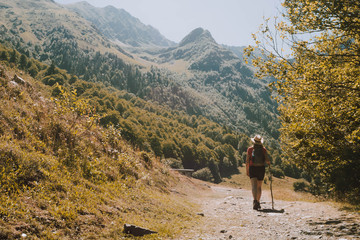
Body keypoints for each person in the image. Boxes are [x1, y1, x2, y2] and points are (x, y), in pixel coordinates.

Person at [246, 135, 271, 210]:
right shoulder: (263, 149)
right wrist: (269, 164)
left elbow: (247, 161)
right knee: (259, 186)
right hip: (261, 168)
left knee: (253, 185)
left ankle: (255, 201)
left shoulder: (250, 149)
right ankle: (258, 202)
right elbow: (267, 161)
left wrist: (247, 170)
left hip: (252, 168)